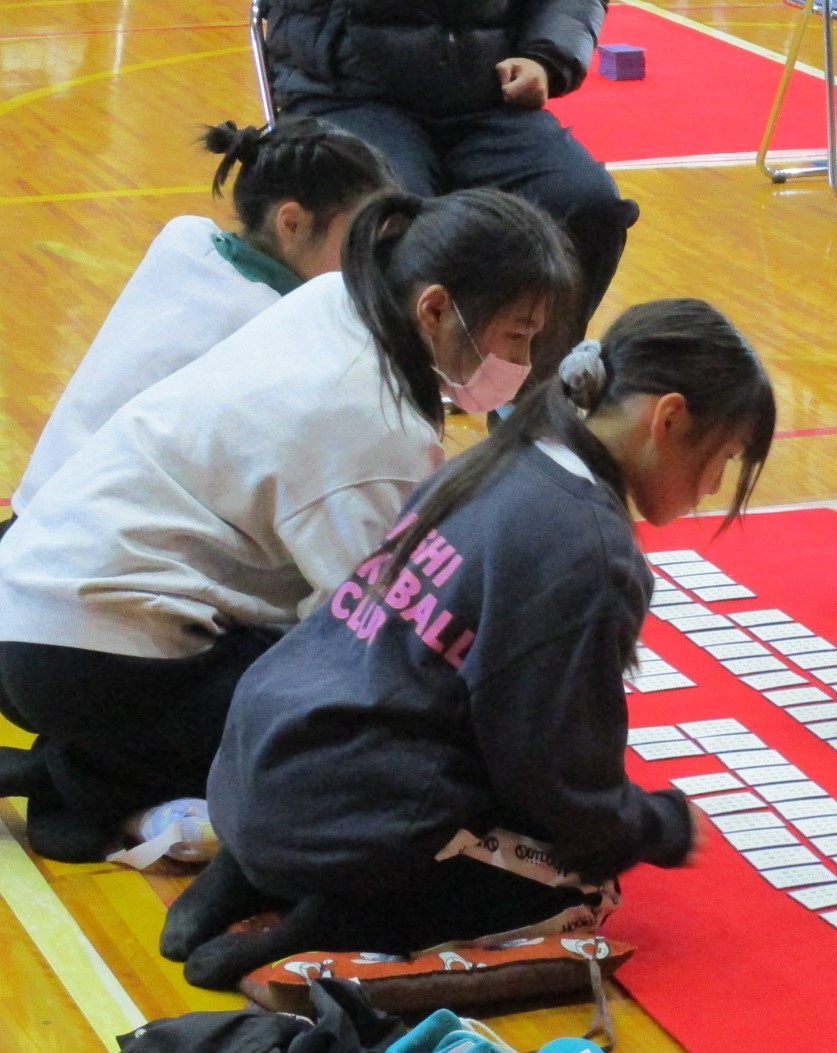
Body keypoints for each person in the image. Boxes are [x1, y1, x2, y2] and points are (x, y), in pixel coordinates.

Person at [159, 299, 776, 990]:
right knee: (582, 888)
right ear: (668, 419)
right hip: (340, 809)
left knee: (441, 746)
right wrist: (650, 824)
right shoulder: (589, 546)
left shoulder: (500, 456)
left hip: (258, 767)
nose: (714, 487)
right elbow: (551, 769)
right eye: (721, 458)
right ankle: (329, 922)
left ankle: (243, 874)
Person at [0, 188, 576, 863]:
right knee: (377, 752)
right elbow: (370, 637)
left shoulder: (335, 299)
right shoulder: (371, 424)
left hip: (32, 596)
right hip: (86, 654)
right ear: (436, 308)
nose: (526, 358)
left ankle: (90, 762)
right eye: (518, 333)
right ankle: (84, 778)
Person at [7, 119, 396, 523]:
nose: (371, 260)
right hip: (85, 548)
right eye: (360, 237)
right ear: (292, 223)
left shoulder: (183, 237)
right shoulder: (275, 326)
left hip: (32, 510)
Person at [260, 0, 635, 336]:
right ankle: (394, 388)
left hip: (485, 97)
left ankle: (530, 394)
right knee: (393, 219)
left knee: (586, 204)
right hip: (345, 95)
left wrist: (546, 57)